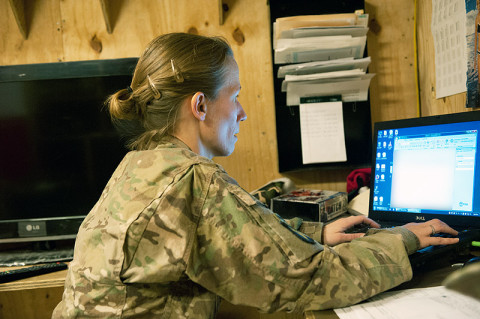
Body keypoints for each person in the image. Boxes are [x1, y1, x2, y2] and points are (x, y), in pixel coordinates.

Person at [52, 32, 459, 318]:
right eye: (234, 95)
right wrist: (404, 239)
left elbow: (240, 232)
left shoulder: (141, 163)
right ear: (200, 105)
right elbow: (309, 280)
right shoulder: (193, 179)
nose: (243, 112)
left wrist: (316, 234)